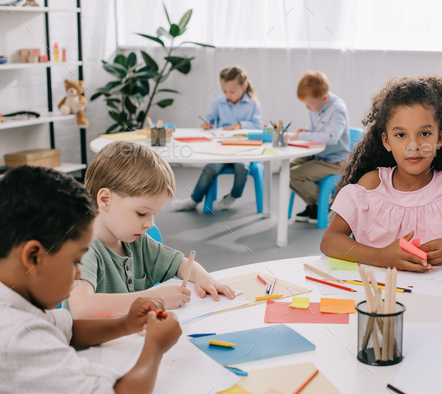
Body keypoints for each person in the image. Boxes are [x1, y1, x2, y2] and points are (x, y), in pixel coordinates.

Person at [0, 166, 182, 393]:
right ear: (34, 257)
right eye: (76, 261)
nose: (78, 273)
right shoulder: (18, 338)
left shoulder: (14, 299)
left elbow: (68, 331)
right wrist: (155, 346)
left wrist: (126, 323)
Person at [320, 75, 442, 271]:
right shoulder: (371, 185)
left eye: (425, 134)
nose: (413, 146)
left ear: (440, 138)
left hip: (435, 292)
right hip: (375, 293)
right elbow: (330, 241)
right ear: (386, 141)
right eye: (401, 135)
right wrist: (381, 257)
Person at [66, 141, 235, 318]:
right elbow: (81, 308)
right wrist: (153, 298)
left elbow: (181, 264)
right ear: (106, 199)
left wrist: (202, 276)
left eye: (154, 214)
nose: (150, 224)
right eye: (142, 213)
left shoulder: (137, 242)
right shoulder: (82, 249)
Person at [171, 65, 263, 212]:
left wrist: (240, 125)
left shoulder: (253, 105)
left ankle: (233, 195)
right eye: (225, 91)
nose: (228, 95)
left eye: (232, 91)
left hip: (244, 149)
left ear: (244, 86)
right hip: (222, 148)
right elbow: (209, 120)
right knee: (211, 167)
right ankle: (193, 200)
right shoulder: (218, 103)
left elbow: (259, 127)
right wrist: (207, 124)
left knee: (242, 167)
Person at [289, 71, 350, 224]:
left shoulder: (337, 109)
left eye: (310, 104)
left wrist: (301, 137)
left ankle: (325, 206)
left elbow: (331, 136)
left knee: (296, 174)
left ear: (324, 98)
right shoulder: (316, 106)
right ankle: (313, 205)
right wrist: (307, 132)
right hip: (319, 155)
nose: (308, 108)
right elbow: (317, 129)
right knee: (286, 169)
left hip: (335, 161)